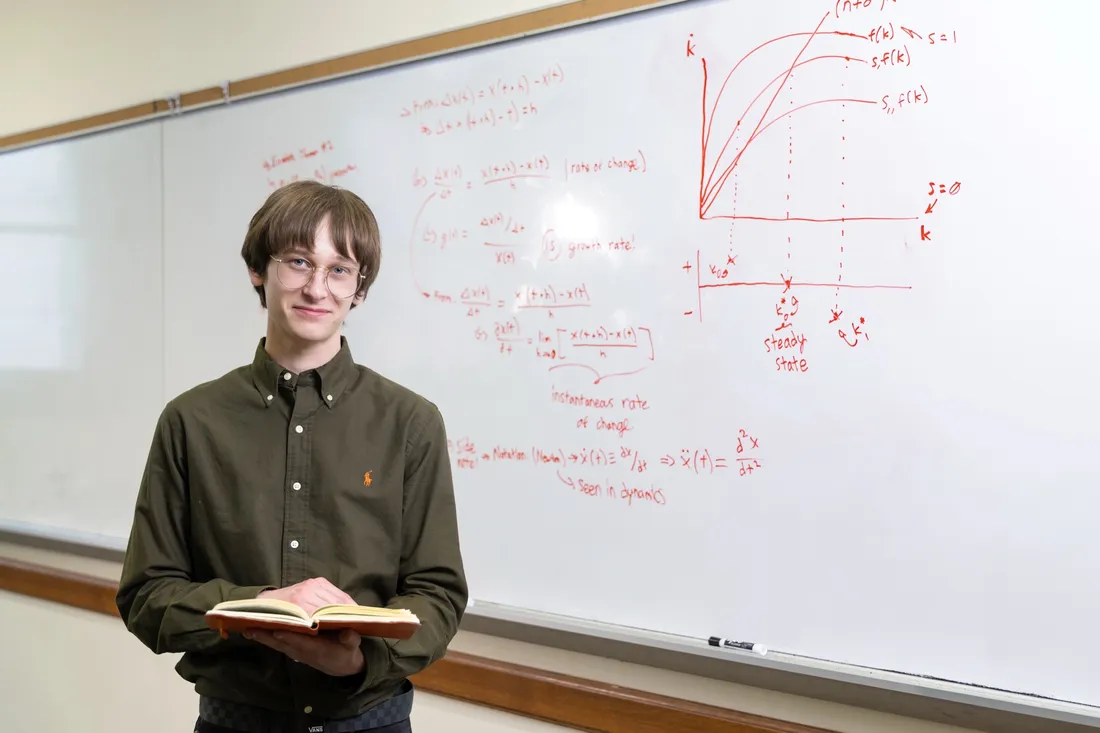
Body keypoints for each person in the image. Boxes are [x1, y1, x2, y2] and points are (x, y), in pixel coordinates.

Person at [115, 180, 468, 733]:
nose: (317, 288)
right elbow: (146, 596)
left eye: (339, 269)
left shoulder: (411, 423)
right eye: (299, 261)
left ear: (359, 288)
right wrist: (261, 605)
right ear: (259, 269)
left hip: (371, 721)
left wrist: (357, 661)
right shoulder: (191, 421)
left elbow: (438, 595)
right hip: (235, 722)